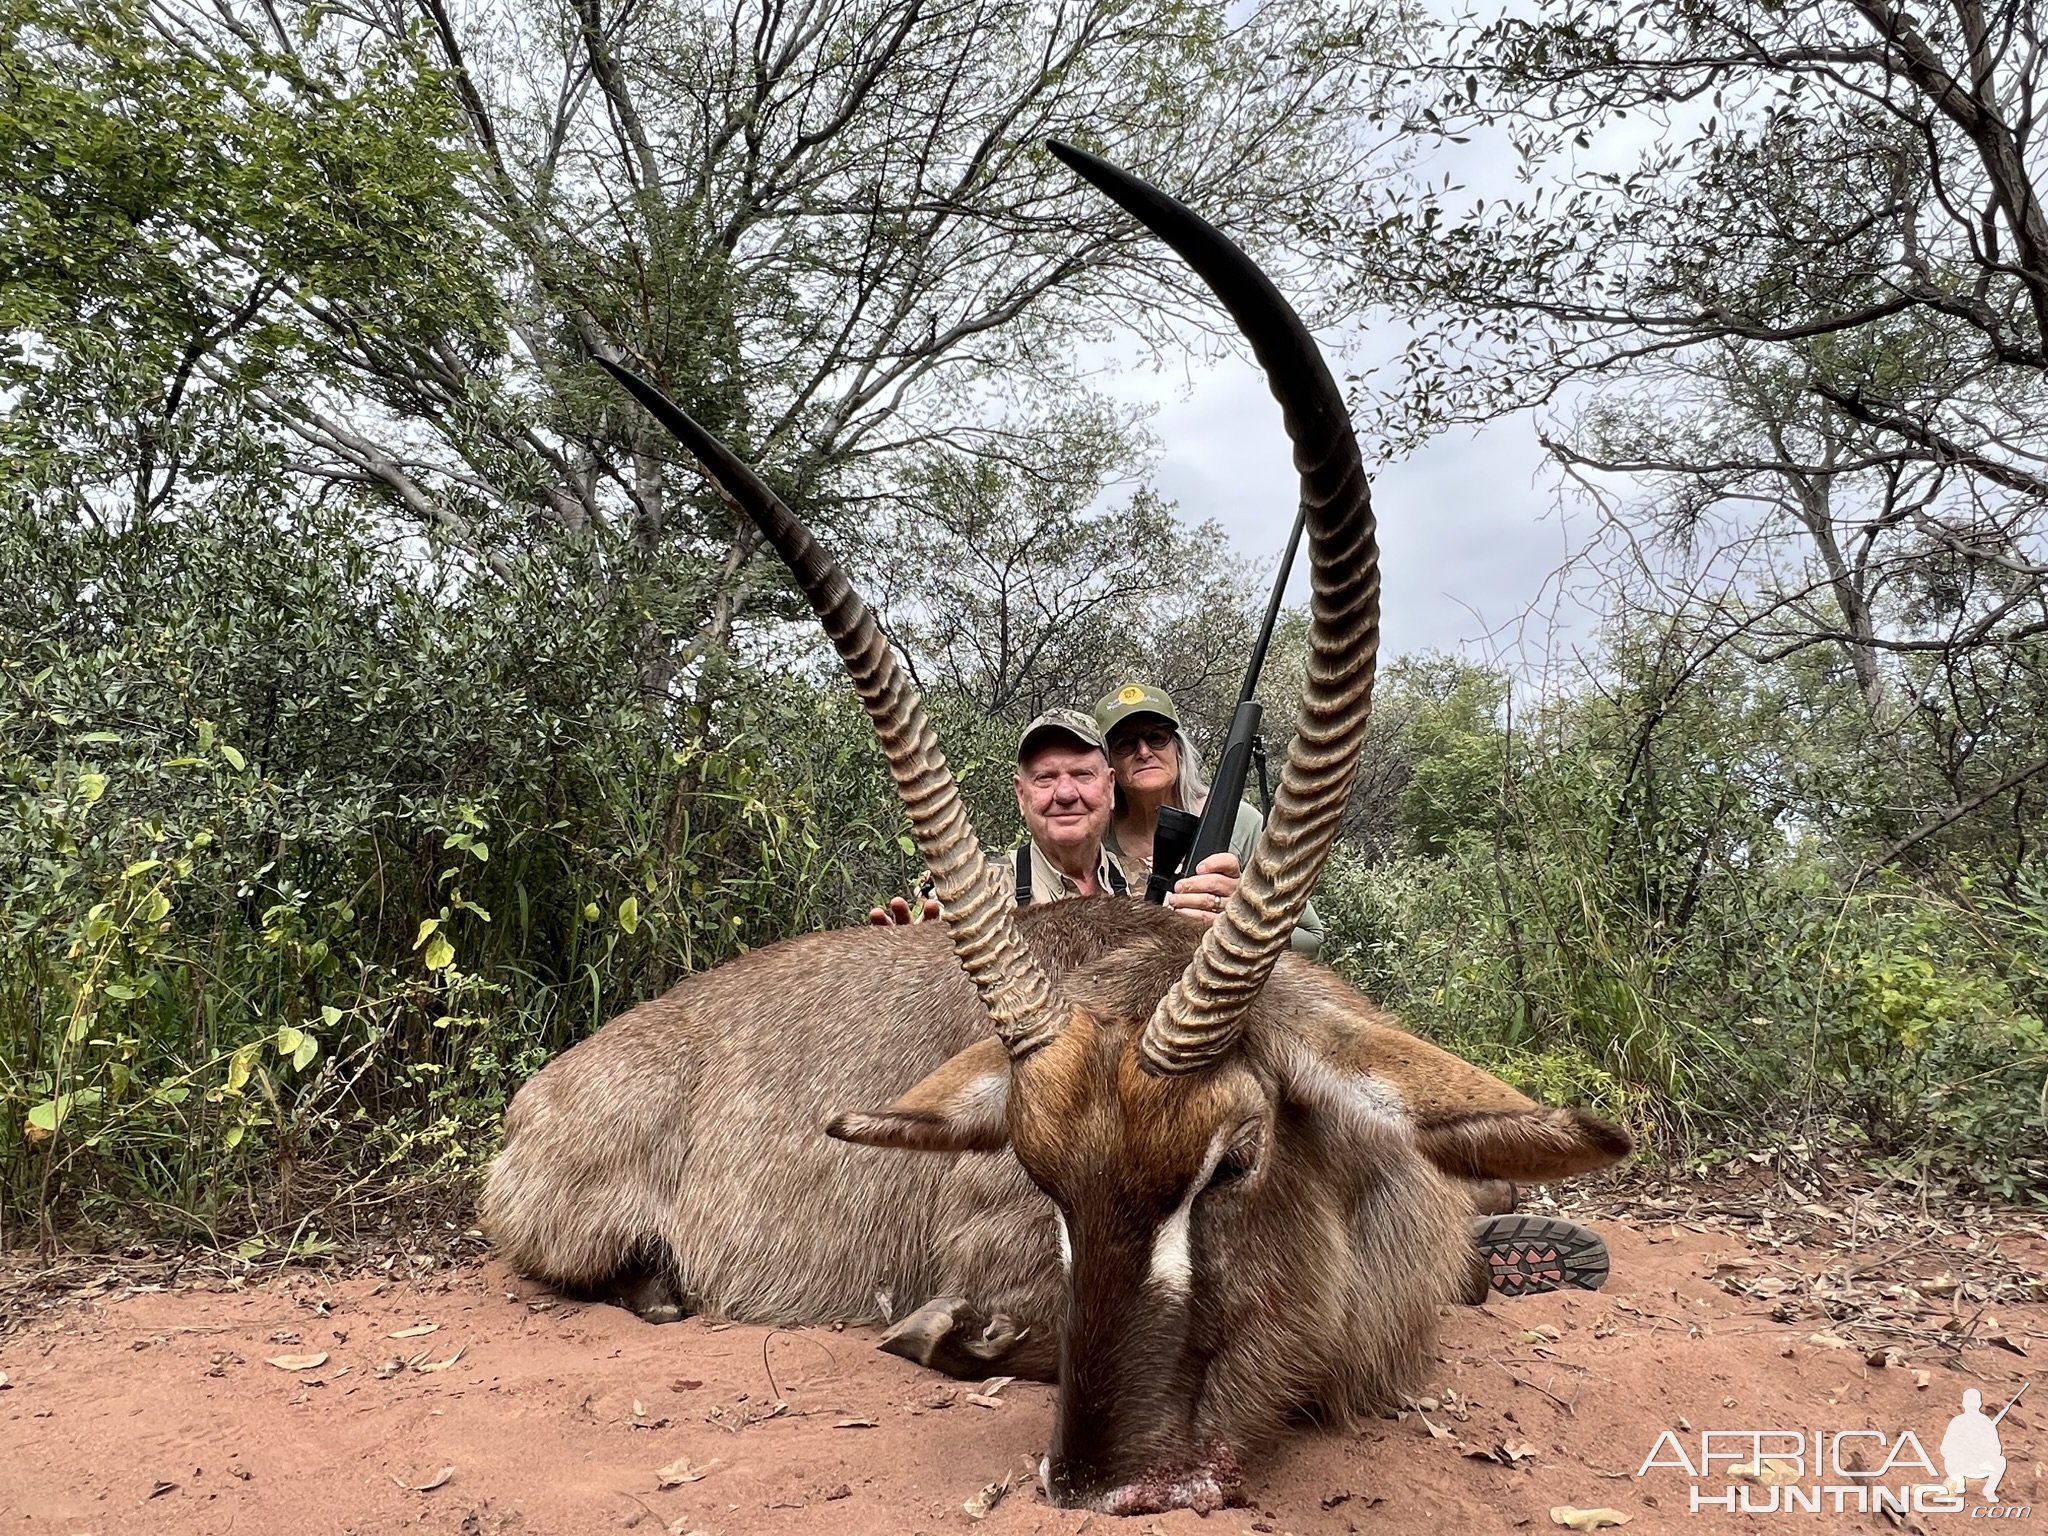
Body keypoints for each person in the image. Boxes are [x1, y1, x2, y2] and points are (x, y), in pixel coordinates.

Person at [868, 708, 1244, 925]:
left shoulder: (1157, 890)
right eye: (1045, 778)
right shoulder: (971, 892)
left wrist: (1230, 920)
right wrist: (914, 967)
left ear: (1110, 788)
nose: (1065, 794)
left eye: (1083, 775)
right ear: (1021, 795)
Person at [1093, 683, 1324, 958]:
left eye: (1156, 737)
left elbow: (1311, 939)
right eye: (1125, 744)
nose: (1143, 752)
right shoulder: (1094, 836)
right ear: (1108, 764)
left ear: (1177, 748)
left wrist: (1242, 921)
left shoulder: (1241, 823)